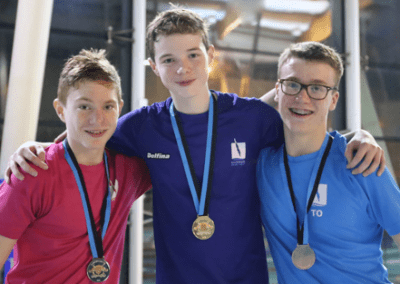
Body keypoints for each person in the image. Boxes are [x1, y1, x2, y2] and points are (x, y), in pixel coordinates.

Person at [5, 8, 386, 284]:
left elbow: (304, 113)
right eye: (168, 59)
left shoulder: (253, 118)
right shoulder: (141, 126)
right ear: (154, 67)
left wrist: (357, 136)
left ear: (210, 57)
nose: (182, 68)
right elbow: (87, 134)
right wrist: (36, 146)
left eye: (192, 55)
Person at [0, 49, 152, 283]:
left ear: (120, 108)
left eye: (108, 107)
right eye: (84, 106)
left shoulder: (129, 171)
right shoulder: (31, 173)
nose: (97, 118)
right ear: (61, 110)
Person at [257, 41, 400, 283]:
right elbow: (241, 117)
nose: (303, 97)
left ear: (334, 100)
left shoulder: (362, 162)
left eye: (317, 88)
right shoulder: (262, 165)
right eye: (293, 85)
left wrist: (361, 134)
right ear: (277, 91)